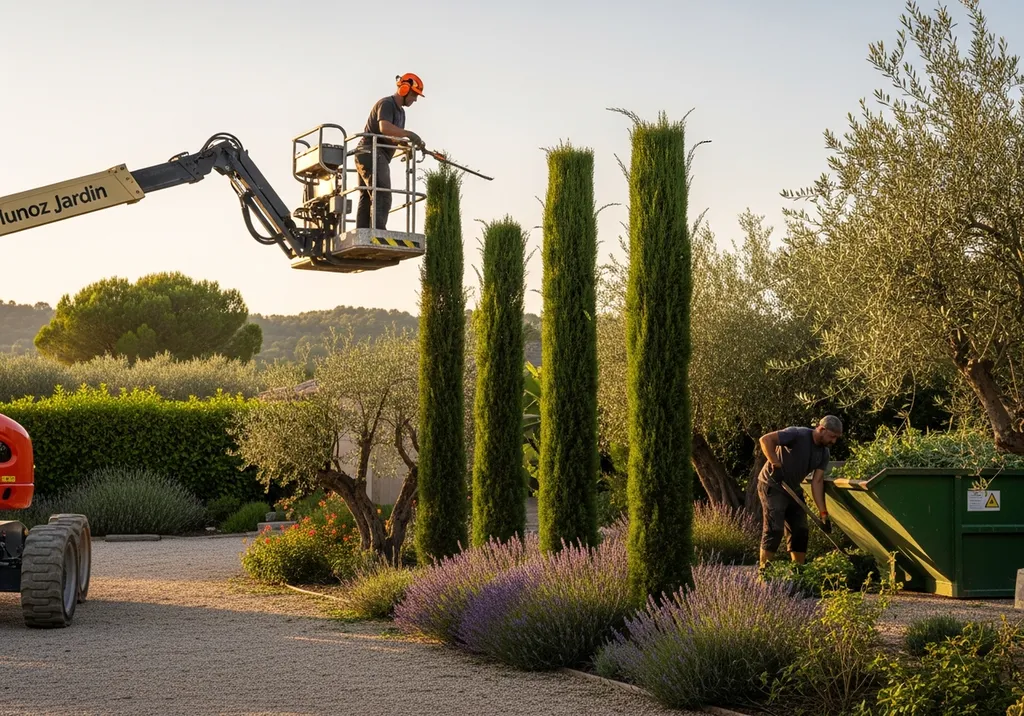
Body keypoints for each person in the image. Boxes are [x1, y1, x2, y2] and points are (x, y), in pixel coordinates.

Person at [756, 415, 843, 571]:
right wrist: (775, 463)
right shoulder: (797, 434)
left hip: (793, 489)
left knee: (800, 530)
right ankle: (763, 572)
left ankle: (798, 572)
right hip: (773, 484)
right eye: (832, 436)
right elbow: (765, 440)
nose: (833, 441)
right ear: (821, 429)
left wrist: (823, 513)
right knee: (774, 529)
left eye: (836, 438)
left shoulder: (824, 453)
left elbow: (817, 483)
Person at [353, 73, 427, 230]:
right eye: (414, 95)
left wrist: (405, 147)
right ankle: (377, 232)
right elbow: (384, 128)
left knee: (368, 195)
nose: (415, 99)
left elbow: (391, 137)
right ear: (404, 89)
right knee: (383, 194)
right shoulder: (386, 104)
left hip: (372, 154)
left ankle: (363, 232)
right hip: (370, 152)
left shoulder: (401, 113)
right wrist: (409, 134)